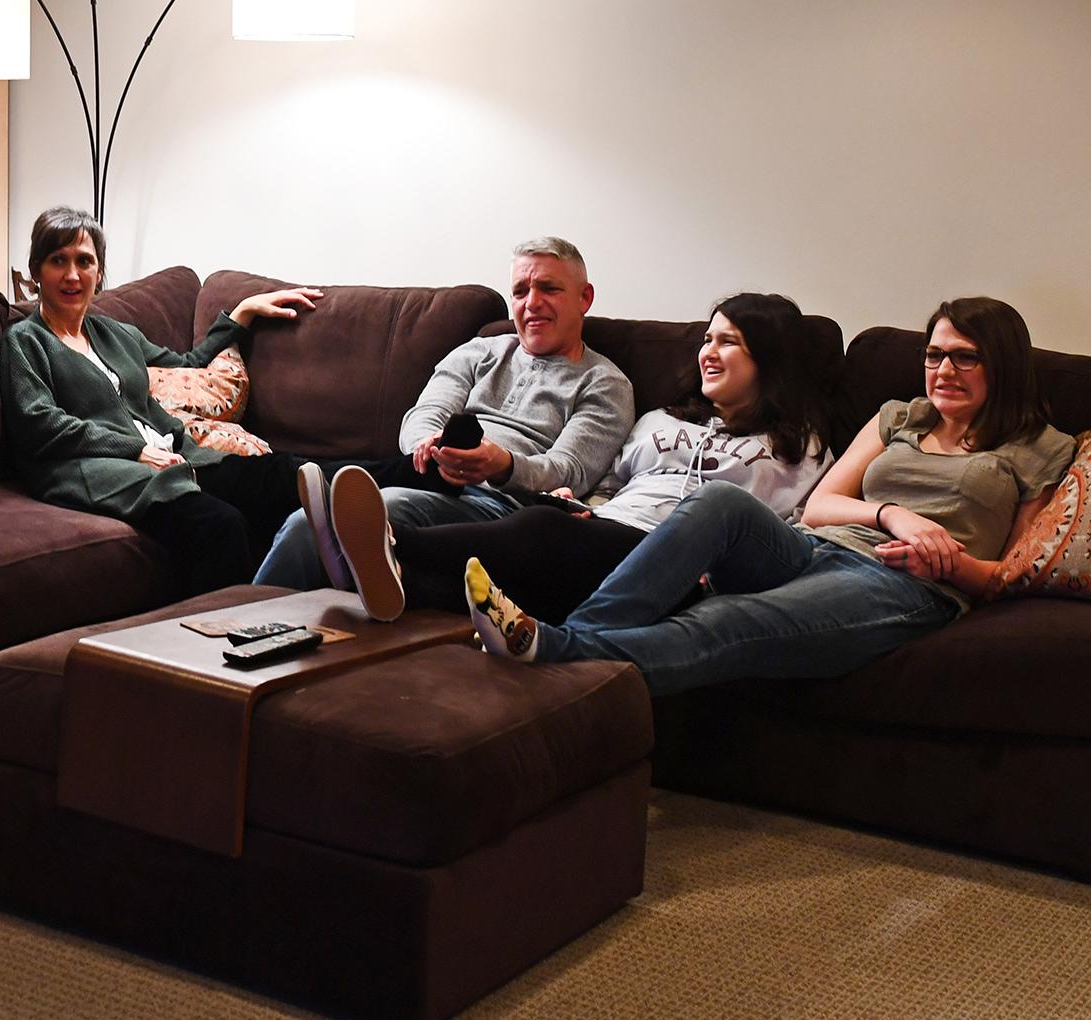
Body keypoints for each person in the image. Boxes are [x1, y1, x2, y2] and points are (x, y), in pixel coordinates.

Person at [465, 296, 1076, 693]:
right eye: (934, 355)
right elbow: (822, 506)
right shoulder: (901, 416)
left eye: (965, 358)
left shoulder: (1041, 448)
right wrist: (894, 514)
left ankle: (550, 654)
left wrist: (948, 562)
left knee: (724, 618)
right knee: (717, 502)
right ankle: (565, 642)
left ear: (1003, 365)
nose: (943, 371)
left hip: (904, 584)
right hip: (812, 546)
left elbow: (1017, 572)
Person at [327, 293, 833, 624]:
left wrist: (718, 566)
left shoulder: (798, 445)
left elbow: (787, 532)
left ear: (768, 359)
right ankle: (394, 582)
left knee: (541, 529)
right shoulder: (661, 418)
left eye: (729, 342)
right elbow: (610, 487)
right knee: (533, 565)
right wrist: (580, 502)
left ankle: (389, 542)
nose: (708, 353)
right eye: (707, 339)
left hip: (677, 556)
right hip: (605, 531)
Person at [253, 235, 636, 617]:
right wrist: (429, 445)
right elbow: (424, 414)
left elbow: (568, 469)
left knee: (353, 515)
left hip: (499, 508)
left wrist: (501, 464)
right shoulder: (479, 351)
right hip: (427, 477)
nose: (531, 303)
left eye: (548, 288)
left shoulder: (605, 384)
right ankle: (241, 626)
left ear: (584, 298)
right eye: (520, 291)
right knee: (305, 523)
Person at [0, 206, 326, 596]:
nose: (72, 275)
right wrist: (135, 450)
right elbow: (39, 423)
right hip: (107, 474)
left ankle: (392, 485)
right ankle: (220, 630)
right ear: (36, 270)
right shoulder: (24, 341)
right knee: (221, 525)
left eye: (84, 261)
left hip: (176, 457)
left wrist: (242, 314)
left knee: (283, 476)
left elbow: (187, 364)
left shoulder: (115, 334)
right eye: (58, 261)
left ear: (99, 274)